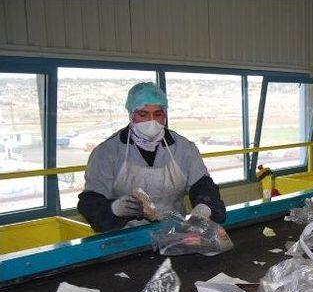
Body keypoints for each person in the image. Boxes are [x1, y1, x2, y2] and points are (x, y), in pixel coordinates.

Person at [78, 82, 226, 232]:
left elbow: (203, 186)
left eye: (158, 114)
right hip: (124, 238)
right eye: (143, 114)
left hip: (173, 233)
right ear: (131, 115)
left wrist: (204, 207)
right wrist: (115, 209)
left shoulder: (183, 148)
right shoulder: (108, 151)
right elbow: (90, 202)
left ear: (165, 115)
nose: (151, 121)